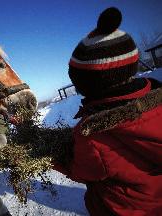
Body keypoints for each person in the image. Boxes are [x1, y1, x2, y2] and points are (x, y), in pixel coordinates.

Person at [53, 7, 162, 215]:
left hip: (122, 209)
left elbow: (81, 171)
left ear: (88, 83)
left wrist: (51, 157)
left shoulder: (92, 135)